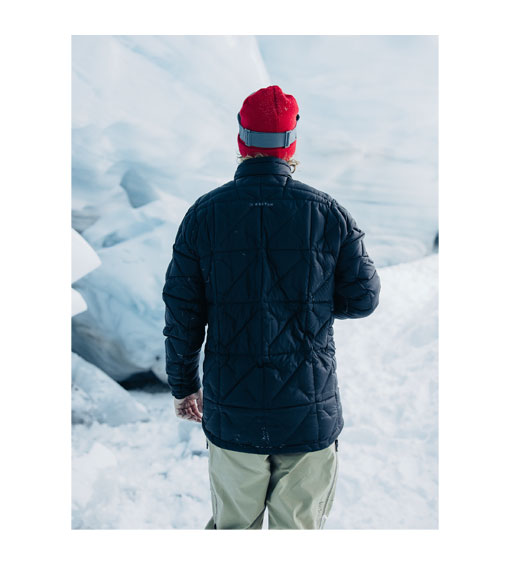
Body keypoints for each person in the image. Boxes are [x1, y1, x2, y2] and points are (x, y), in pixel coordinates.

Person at [162, 85, 381, 529]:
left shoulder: (204, 214)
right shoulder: (328, 213)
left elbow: (183, 313)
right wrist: (312, 303)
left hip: (233, 411)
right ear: (291, 144)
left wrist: (184, 386)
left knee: (233, 533)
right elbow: (364, 297)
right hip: (308, 413)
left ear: (241, 139)